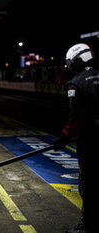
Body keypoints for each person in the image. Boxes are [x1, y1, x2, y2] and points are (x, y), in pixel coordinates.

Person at [53, 43, 99, 233]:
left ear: (78, 60)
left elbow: (75, 121)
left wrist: (63, 138)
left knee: (88, 185)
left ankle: (88, 226)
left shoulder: (76, 83)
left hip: (91, 143)